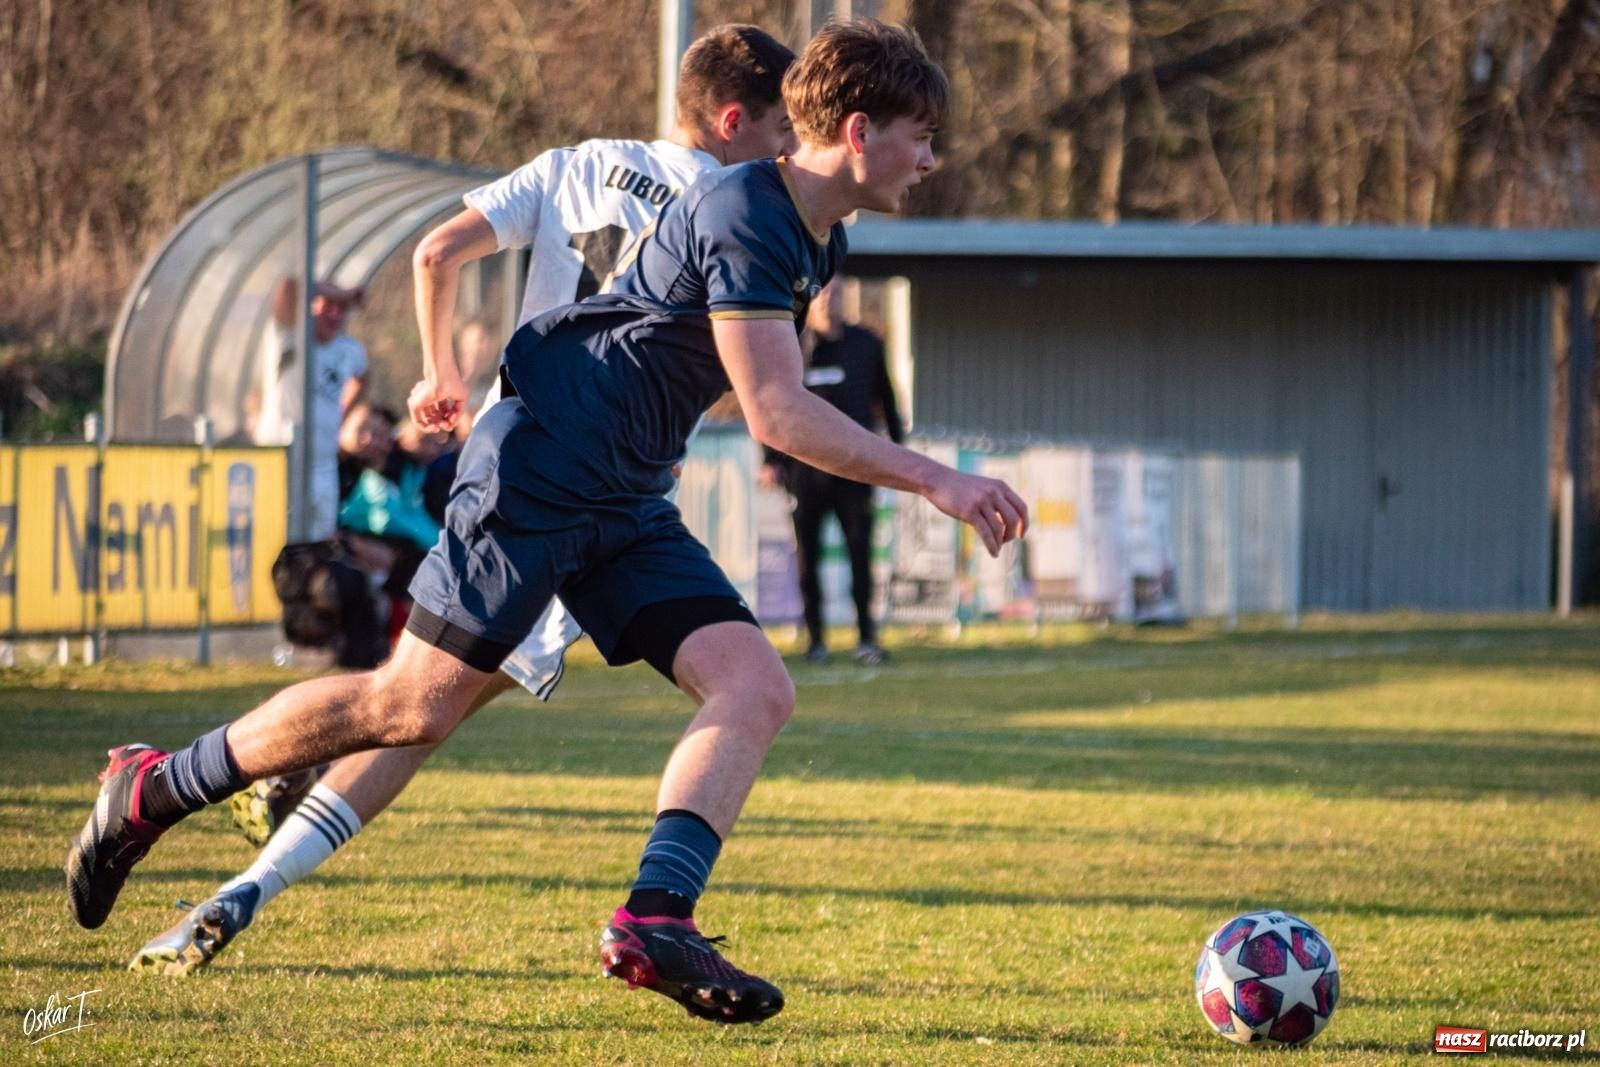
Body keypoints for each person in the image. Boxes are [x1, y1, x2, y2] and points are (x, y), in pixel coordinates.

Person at [71, 20, 1026, 1026]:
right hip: (540, 467)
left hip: (621, 492)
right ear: (862, 129)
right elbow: (779, 412)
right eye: (922, 136)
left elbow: (755, 388)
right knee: (412, 706)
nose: (932, 160)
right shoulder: (747, 207)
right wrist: (936, 479)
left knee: (753, 684)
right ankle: (157, 783)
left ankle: (656, 917)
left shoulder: (815, 239)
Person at [124, 24, 798, 977]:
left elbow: (439, 251)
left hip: (523, 460)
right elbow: (745, 379)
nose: (787, 148)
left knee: (424, 705)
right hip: (576, 485)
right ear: (734, 122)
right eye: (779, 126)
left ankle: (236, 856)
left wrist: (441, 371)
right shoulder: (732, 209)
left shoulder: (580, 164)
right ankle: (209, 821)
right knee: (415, 704)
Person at [764, 277, 903, 664]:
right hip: (805, 473)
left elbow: (886, 401)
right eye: (821, 294)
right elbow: (769, 406)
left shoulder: (866, 344)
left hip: (856, 471)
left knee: (861, 555)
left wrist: (898, 457)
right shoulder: (794, 345)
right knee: (808, 559)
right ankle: (816, 642)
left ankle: (866, 640)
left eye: (835, 293)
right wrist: (771, 461)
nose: (828, 301)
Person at [254, 277, 369, 540]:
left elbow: (363, 378)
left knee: (320, 541)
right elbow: (287, 287)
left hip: (323, 462)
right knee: (278, 536)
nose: (335, 314)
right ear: (310, 305)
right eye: (328, 305)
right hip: (281, 456)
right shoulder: (290, 335)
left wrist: (343, 414)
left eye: (342, 308)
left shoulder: (349, 349)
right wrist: (341, 292)